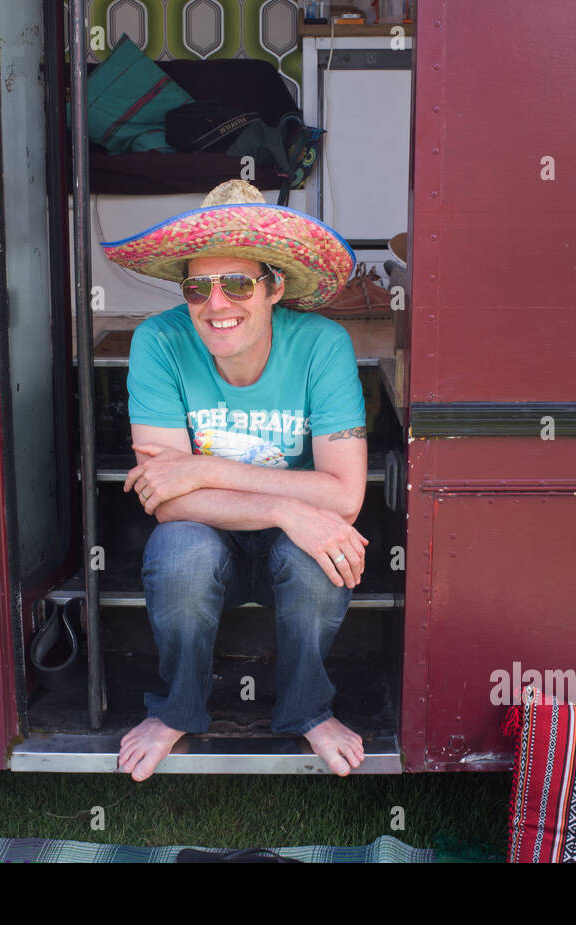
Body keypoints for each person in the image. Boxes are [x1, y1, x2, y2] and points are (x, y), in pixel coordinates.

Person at [101, 179, 370, 780]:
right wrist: (286, 508)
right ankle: (177, 710)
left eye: (238, 283)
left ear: (274, 287)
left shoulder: (323, 345)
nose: (216, 304)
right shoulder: (160, 340)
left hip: (251, 521)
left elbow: (346, 493)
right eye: (198, 286)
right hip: (207, 528)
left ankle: (307, 710)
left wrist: (204, 469)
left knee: (320, 551)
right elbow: (167, 503)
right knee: (179, 554)